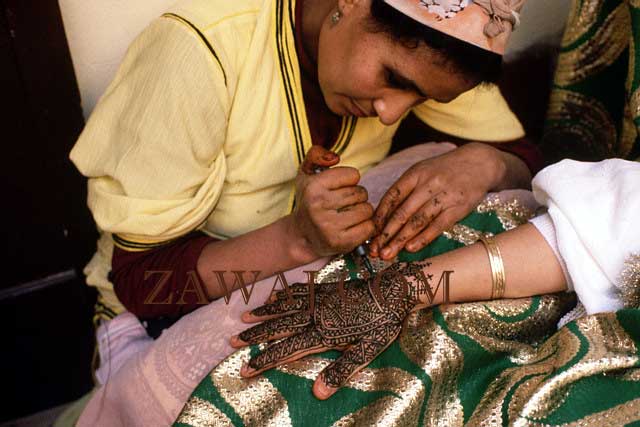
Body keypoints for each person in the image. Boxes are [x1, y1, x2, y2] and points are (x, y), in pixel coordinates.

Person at [69, 0, 538, 330]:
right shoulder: (199, 51)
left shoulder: (424, 56)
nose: (392, 113)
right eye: (392, 79)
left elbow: (529, 163)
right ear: (351, 2)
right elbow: (139, 283)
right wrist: (296, 240)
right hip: (164, 314)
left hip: (301, 288)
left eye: (421, 100)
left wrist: (485, 162)